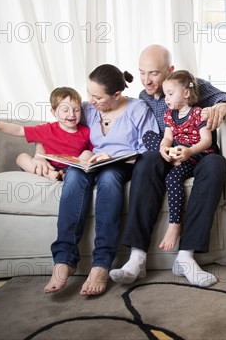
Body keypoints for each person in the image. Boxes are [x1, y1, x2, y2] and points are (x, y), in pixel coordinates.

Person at [110, 44, 226, 288]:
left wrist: (222, 106)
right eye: (141, 73)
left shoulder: (191, 85)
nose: (146, 81)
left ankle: (186, 256)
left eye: (153, 73)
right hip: (168, 154)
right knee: (148, 159)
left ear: (170, 70)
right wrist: (162, 147)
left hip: (199, 154)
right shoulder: (144, 98)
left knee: (217, 164)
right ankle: (137, 257)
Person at [45, 64, 159, 296]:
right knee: (74, 175)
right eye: (88, 94)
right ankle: (64, 259)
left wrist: (114, 156)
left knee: (108, 180)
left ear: (117, 95)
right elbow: (56, 130)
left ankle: (101, 264)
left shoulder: (138, 109)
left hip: (122, 166)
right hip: (91, 164)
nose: (90, 101)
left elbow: (152, 147)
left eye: (97, 97)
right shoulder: (87, 109)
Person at [0, 87, 93, 181]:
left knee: (88, 153)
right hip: (48, 167)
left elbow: (94, 154)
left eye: (76, 110)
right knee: (21, 158)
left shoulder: (86, 132)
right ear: (54, 112)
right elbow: (19, 130)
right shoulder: (46, 129)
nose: (71, 114)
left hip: (73, 169)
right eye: (65, 110)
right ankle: (51, 175)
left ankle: (69, 175)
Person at [155, 70, 215, 251]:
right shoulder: (168, 115)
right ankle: (172, 160)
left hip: (196, 153)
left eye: (171, 94)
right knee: (150, 139)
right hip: (178, 151)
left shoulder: (198, 113)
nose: (166, 98)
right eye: (165, 94)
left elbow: (207, 141)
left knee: (172, 178)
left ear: (186, 93)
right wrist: (163, 147)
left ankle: (175, 223)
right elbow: (167, 137)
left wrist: (190, 151)